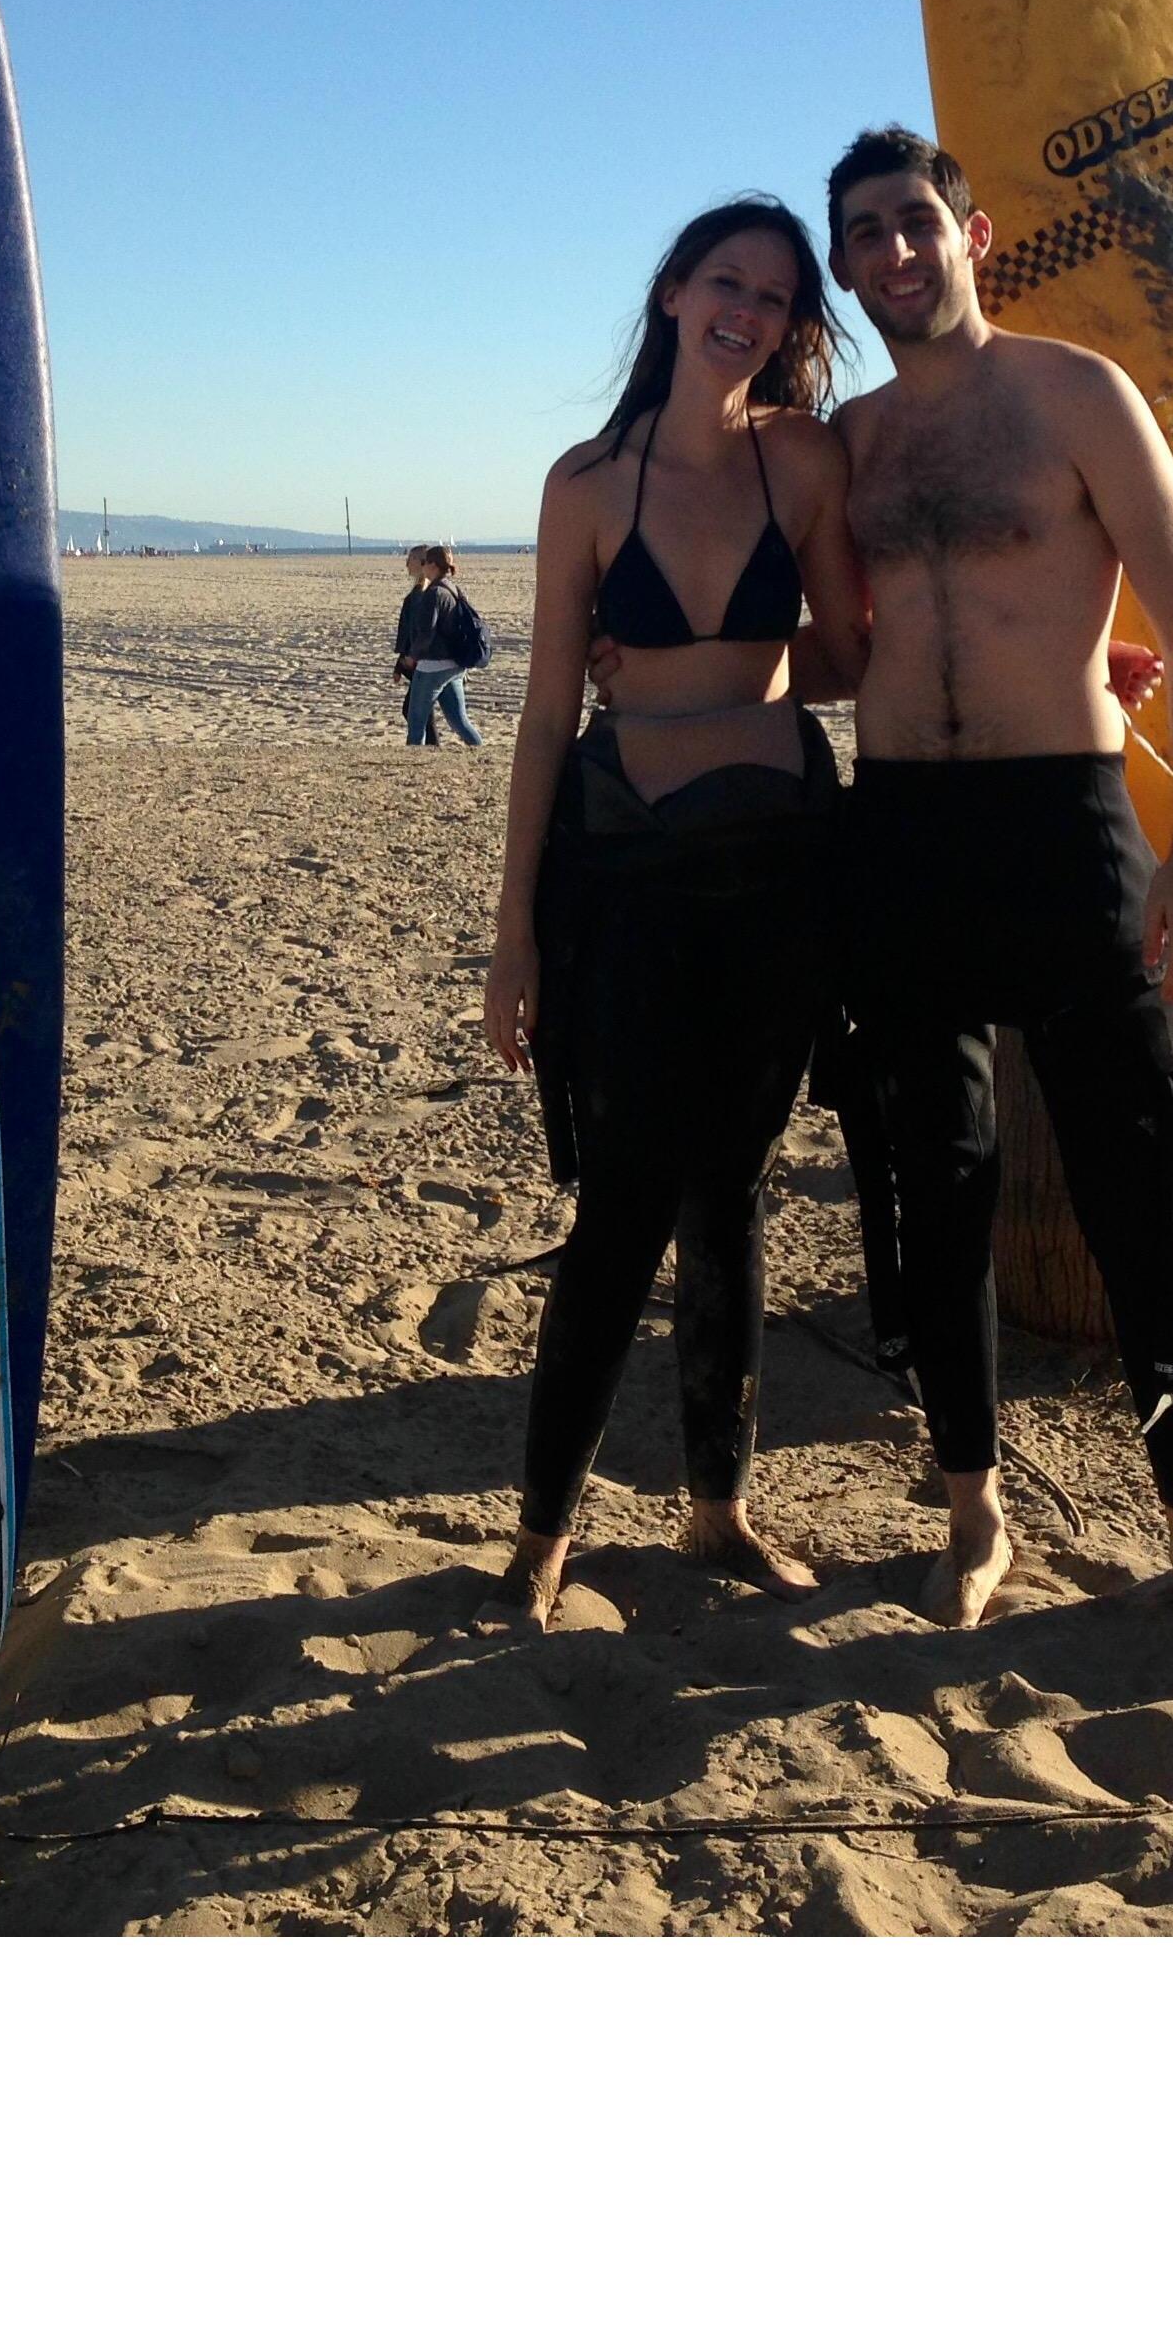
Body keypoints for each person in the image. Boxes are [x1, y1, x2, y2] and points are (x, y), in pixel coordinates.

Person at [824, 124, 1173, 1702]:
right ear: (845, 266)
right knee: (931, 1179)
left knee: (1135, 1176)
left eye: (914, 223)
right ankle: (974, 1513)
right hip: (901, 831)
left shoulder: (1076, 393)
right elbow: (839, 645)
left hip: (1068, 828)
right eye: (864, 236)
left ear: (975, 229)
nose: (894, 253)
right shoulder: (855, 442)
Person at [477, 198, 869, 1631]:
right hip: (624, 873)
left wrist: (729, 666)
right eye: (727, 282)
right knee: (622, 1204)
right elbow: (536, 719)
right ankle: (542, 1531)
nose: (748, 310)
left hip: (774, 867)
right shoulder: (587, 485)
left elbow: (846, 650)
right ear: (672, 295)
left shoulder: (804, 462)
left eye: (775, 296)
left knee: (734, 1195)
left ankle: (719, 1508)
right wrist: (512, 937)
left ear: (790, 325)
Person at [390, 545, 484, 748]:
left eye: (424, 563)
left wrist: (411, 657)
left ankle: (413, 763)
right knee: (459, 721)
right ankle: (482, 752)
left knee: (416, 722)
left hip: (432, 666)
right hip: (455, 665)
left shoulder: (433, 593)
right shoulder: (453, 589)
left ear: (432, 565)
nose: (422, 567)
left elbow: (426, 632)